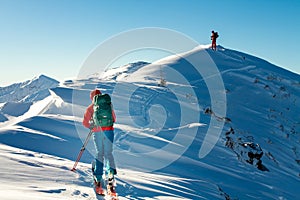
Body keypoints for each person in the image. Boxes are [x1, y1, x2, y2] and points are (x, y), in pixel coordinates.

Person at [82, 89, 117, 193]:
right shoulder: (108, 104)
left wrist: (92, 126)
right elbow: (114, 119)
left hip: (98, 133)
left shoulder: (90, 108)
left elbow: (85, 123)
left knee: (99, 153)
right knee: (108, 153)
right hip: (109, 131)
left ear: (92, 97)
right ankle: (110, 173)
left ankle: (98, 177)